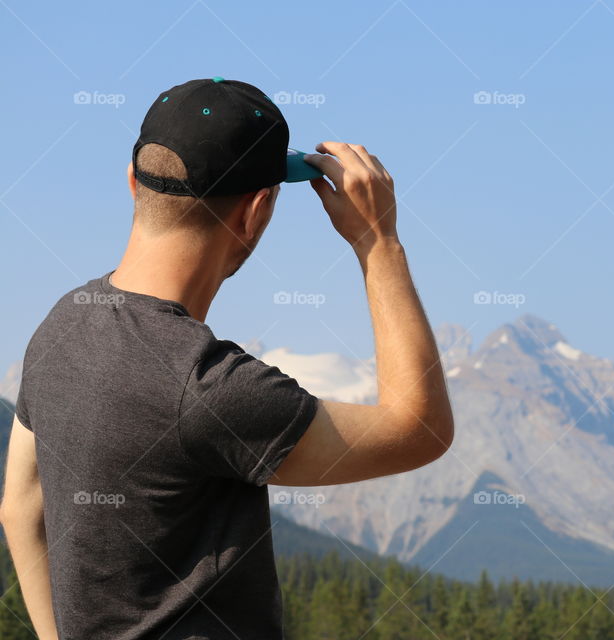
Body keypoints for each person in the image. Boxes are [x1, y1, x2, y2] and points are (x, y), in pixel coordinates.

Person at [0, 77, 454, 639]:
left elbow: (20, 508)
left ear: (133, 185)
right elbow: (420, 430)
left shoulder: (60, 325)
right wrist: (378, 244)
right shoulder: (212, 388)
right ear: (255, 211)